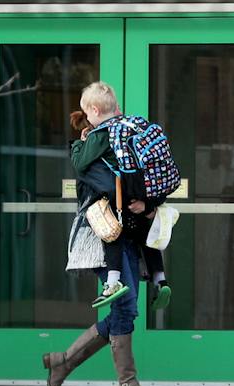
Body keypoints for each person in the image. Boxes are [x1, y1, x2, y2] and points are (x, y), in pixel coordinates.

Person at [42, 82, 160, 386]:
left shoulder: (114, 141)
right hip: (102, 236)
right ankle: (127, 385)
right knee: (125, 305)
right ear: (97, 113)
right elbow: (112, 185)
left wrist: (146, 203)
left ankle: (63, 362)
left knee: (127, 307)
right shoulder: (92, 145)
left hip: (126, 235)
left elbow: (138, 181)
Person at [71, 83, 170, 311]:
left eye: (87, 113)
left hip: (119, 200)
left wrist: (79, 143)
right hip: (142, 197)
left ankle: (113, 282)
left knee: (110, 233)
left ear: (95, 110)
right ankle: (160, 278)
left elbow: (80, 163)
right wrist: (148, 203)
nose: (87, 118)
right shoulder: (131, 126)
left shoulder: (101, 134)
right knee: (148, 235)